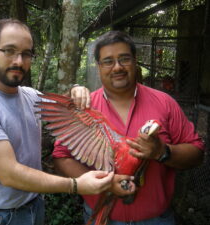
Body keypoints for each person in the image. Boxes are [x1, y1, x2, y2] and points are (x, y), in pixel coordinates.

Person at [0, 18, 117, 225]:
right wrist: (76, 185)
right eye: (9, 51)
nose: (19, 61)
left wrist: (76, 89)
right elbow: (10, 174)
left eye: (26, 53)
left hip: (33, 206)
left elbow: (62, 106)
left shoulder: (29, 96)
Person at [52, 30, 204, 225]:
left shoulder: (164, 103)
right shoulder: (85, 108)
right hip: (101, 216)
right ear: (99, 67)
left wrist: (162, 152)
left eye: (124, 59)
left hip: (156, 219)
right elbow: (60, 157)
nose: (117, 67)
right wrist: (104, 184)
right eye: (108, 61)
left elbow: (197, 153)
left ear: (135, 61)